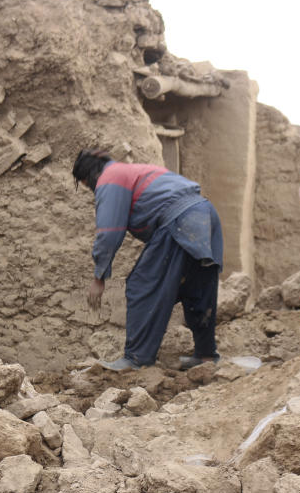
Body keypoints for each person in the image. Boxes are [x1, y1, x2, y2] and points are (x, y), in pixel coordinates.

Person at [72, 149, 223, 371]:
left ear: (88, 178)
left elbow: (110, 231)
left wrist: (99, 277)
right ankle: (206, 356)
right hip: (205, 215)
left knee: (142, 285)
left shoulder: (110, 177)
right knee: (197, 288)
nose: (93, 191)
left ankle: (136, 359)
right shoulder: (133, 171)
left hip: (179, 219)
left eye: (88, 187)